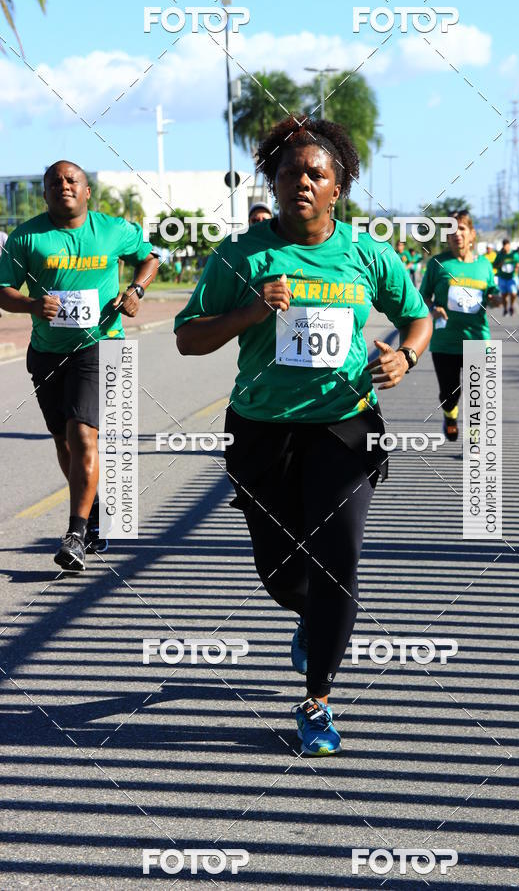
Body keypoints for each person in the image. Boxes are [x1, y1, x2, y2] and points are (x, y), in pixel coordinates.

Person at [175, 115, 432, 755]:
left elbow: (417, 317)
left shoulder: (368, 254)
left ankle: (317, 698)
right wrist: (250, 311)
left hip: (344, 428)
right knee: (281, 573)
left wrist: (405, 356)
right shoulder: (241, 255)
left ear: (336, 187)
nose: (302, 182)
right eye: (290, 171)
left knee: (339, 562)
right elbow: (187, 337)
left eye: (316, 173)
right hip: (260, 430)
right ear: (275, 180)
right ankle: (305, 616)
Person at [0, 161, 159, 570]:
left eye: (72, 180)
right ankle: (92, 511)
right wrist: (32, 304)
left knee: (83, 433)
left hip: (100, 346)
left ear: (87, 191)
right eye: (55, 182)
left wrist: (136, 289)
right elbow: (2, 290)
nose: (63, 186)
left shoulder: (113, 229)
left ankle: (74, 533)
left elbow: (152, 256)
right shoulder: (26, 237)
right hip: (47, 350)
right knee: (63, 441)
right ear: (45, 193)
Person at [421, 210, 501, 441]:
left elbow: (492, 291)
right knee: (449, 393)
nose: (457, 234)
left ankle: (475, 437)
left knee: (478, 394)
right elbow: (423, 297)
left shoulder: (484, 265)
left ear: (472, 234)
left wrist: (496, 298)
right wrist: (432, 310)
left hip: (477, 339)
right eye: (452, 230)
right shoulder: (438, 264)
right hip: (445, 342)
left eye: (462, 229)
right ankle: (450, 415)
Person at [493, 238, 519, 316]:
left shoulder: (515, 255)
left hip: (512, 277)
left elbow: (518, 264)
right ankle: (505, 308)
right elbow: (494, 265)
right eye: (504, 246)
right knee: (504, 295)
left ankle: (511, 306)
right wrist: (500, 264)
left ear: (509, 245)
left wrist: (517, 268)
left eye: (507, 245)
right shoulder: (500, 255)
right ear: (503, 246)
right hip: (502, 277)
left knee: (513, 293)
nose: (506, 247)